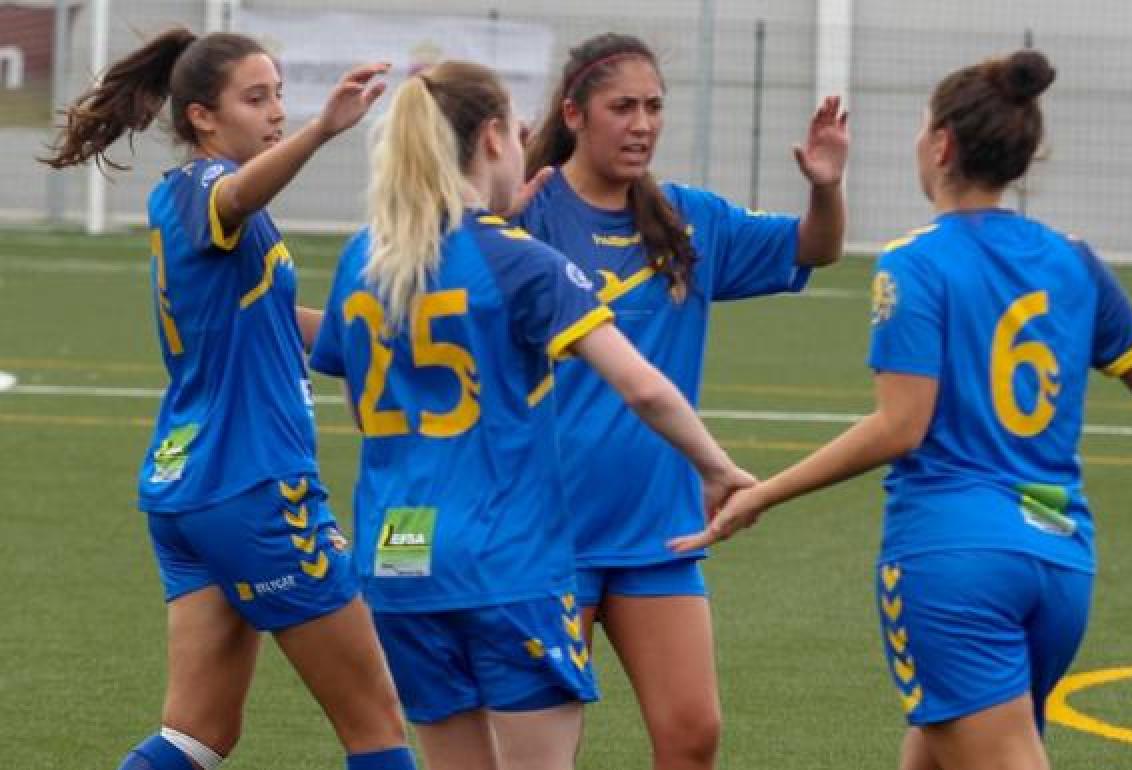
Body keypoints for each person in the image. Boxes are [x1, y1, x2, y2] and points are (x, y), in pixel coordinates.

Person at [673, 49, 1132, 770]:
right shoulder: (1071, 259)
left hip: (954, 561)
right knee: (937, 749)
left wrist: (764, 494)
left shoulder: (917, 262)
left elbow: (900, 425)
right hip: (1059, 559)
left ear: (941, 144)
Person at [309, 61, 754, 770]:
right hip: (503, 563)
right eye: (516, 131)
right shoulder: (520, 261)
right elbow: (642, 387)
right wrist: (717, 466)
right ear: (490, 138)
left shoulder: (368, 254)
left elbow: (347, 367)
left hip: (397, 563)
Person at [42, 28, 418, 770]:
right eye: (257, 97)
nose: (275, 110)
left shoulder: (209, 205)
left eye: (280, 94)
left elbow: (284, 325)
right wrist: (321, 131)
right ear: (201, 118)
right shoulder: (206, 190)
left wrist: (390, 338)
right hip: (254, 485)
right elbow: (241, 192)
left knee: (199, 734)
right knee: (377, 724)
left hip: (192, 488)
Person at [516, 32, 848, 770]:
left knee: (693, 736)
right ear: (574, 113)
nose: (642, 124)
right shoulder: (527, 218)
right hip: (544, 532)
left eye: (654, 107)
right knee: (539, 752)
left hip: (658, 533)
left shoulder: (692, 221)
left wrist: (825, 185)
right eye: (622, 107)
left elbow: (814, 248)